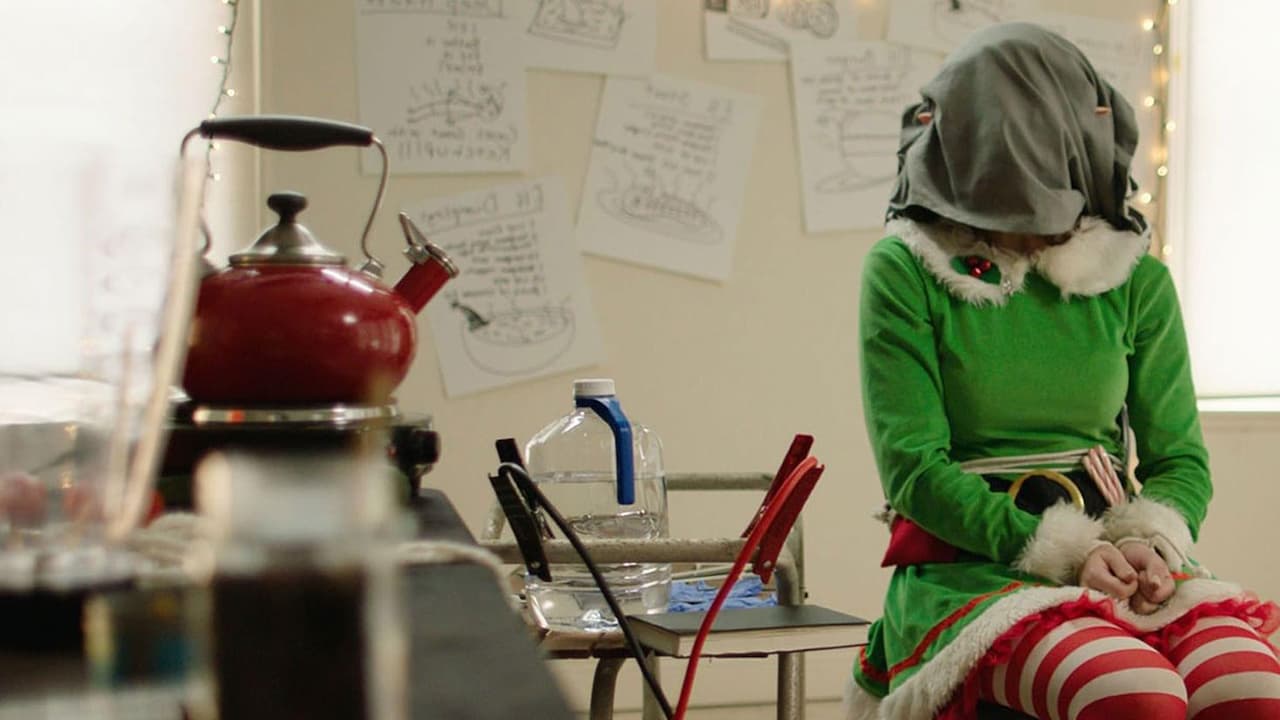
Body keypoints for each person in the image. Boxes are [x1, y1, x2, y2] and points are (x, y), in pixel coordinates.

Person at [845, 22, 1280, 720]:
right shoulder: (907, 269)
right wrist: (1064, 552)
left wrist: (1148, 542)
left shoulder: (1133, 278)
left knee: (1252, 687)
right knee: (1134, 694)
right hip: (974, 567)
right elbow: (913, 472)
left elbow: (1179, 461)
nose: (1040, 223)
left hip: (1123, 553)